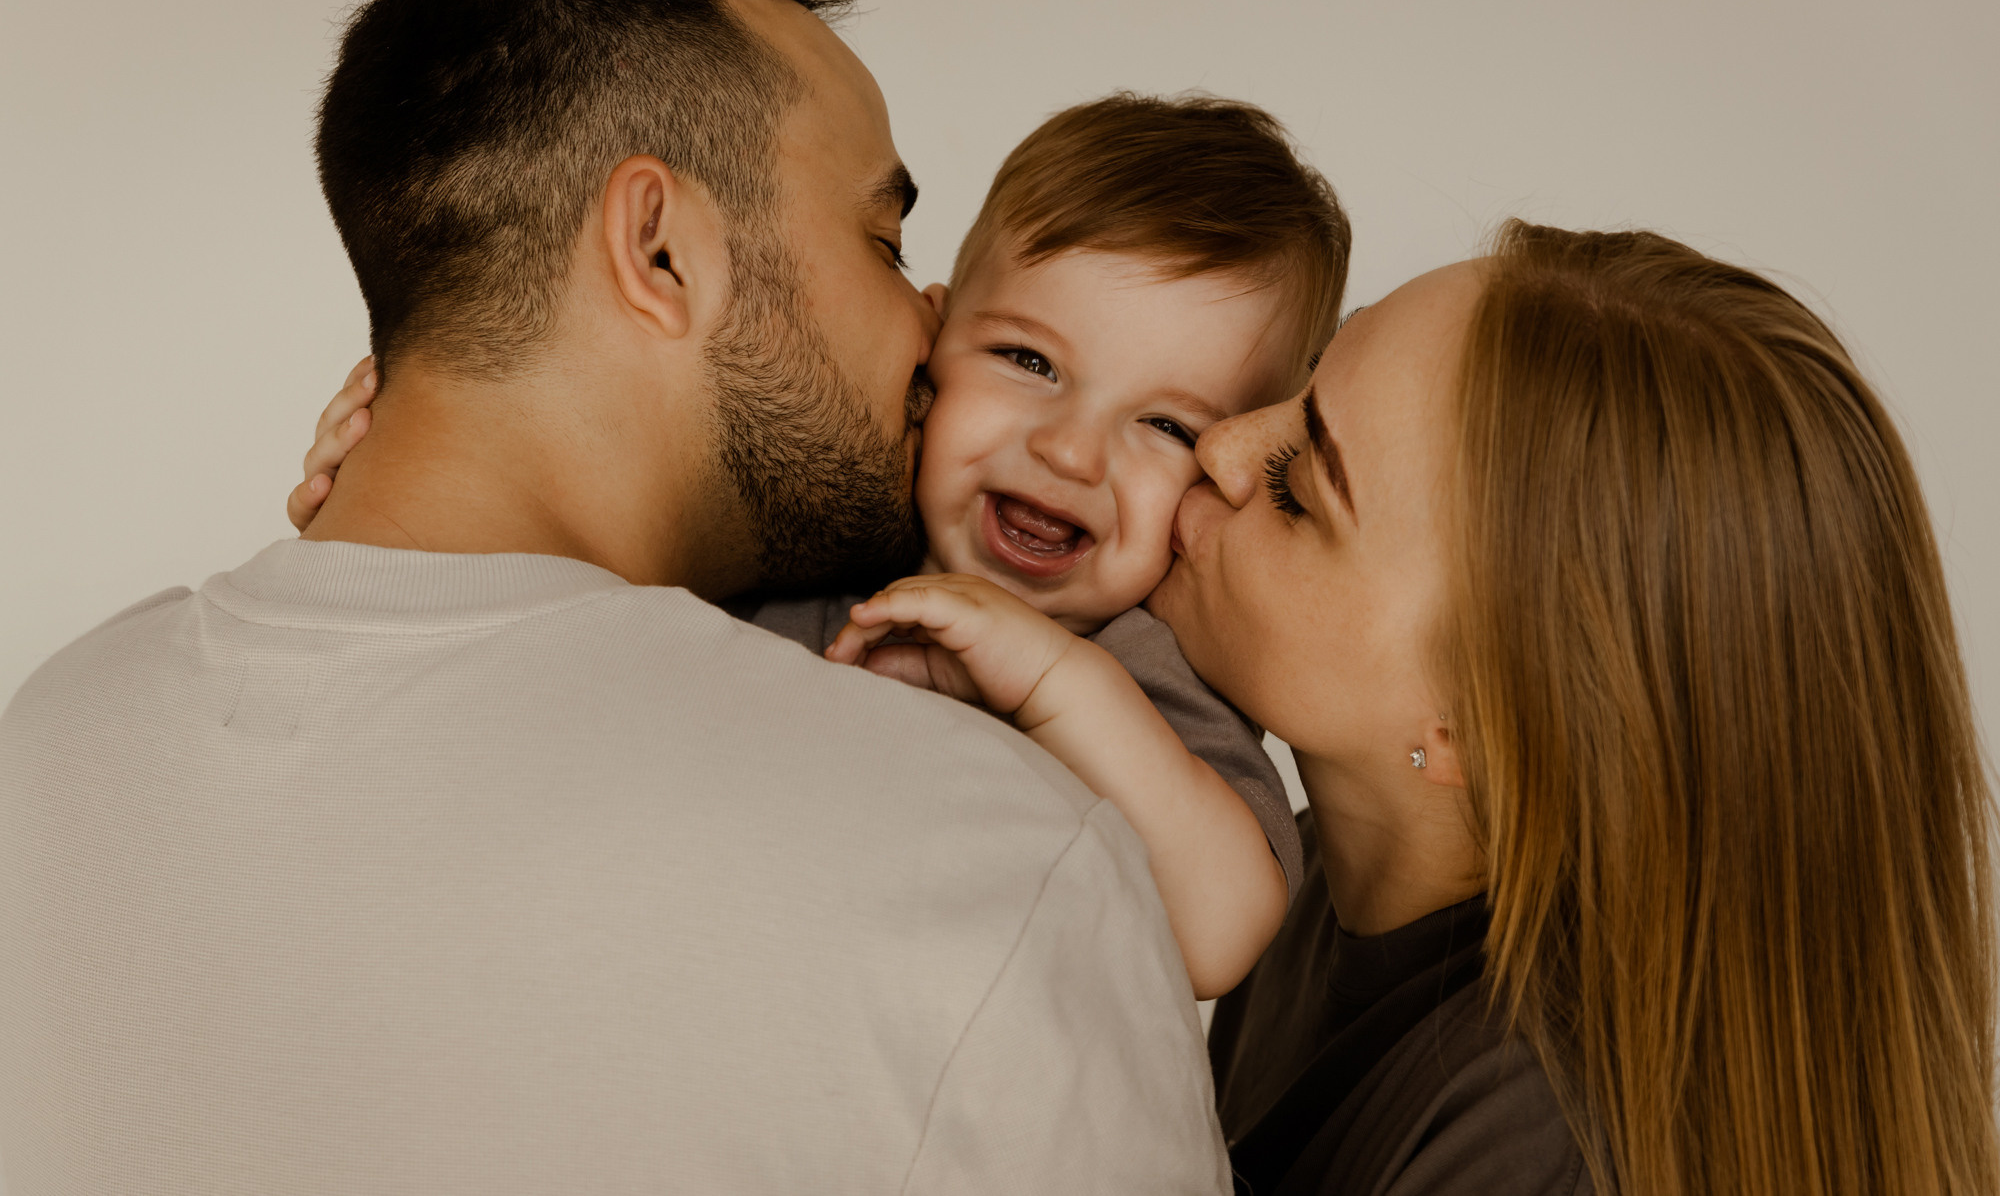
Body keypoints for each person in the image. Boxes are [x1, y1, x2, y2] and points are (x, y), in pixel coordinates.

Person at [0, 0, 1233, 1194]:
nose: (935, 321)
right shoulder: (986, 853)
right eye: (886, 240)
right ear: (660, 249)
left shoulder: (50, 739)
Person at [293, 92, 1356, 997]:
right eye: (1029, 361)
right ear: (931, 337)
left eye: (1167, 426)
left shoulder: (1141, 660)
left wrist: (1049, 681)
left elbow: (1217, 934)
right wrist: (404, 483)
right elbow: (543, 648)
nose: (1071, 451)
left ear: (1228, 463)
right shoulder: (813, 540)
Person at [1150, 223, 1999, 1193]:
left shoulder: (1546, 1150)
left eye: (1296, 486)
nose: (1219, 444)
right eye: (1303, 382)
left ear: (1476, 727)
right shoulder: (1290, 875)